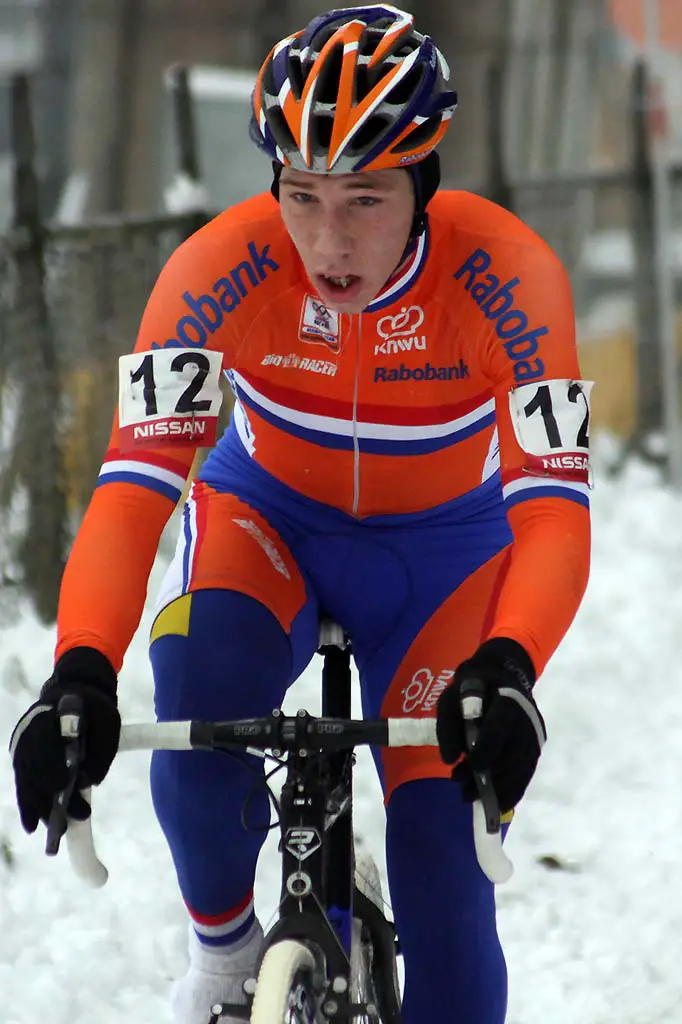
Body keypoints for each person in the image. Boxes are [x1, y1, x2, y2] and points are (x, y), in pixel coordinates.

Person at [9, 5, 592, 1022]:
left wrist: (509, 666)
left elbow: (550, 512)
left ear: (425, 184)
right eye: (302, 194)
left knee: (447, 900)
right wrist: (81, 666)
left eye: (366, 197)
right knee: (194, 698)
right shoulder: (214, 271)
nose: (329, 238)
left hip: (444, 562)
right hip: (265, 524)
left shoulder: (509, 277)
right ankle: (228, 957)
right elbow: (132, 490)